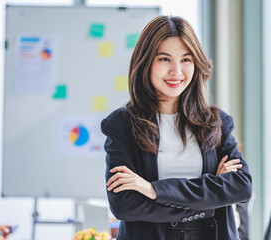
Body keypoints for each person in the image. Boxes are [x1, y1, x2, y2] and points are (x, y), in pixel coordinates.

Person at [101, 15, 252, 240]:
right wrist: (209, 201)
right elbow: (124, 205)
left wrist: (154, 190)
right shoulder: (121, 125)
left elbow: (241, 187)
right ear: (146, 62)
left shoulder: (216, 123)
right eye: (164, 59)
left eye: (186, 60)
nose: (176, 71)